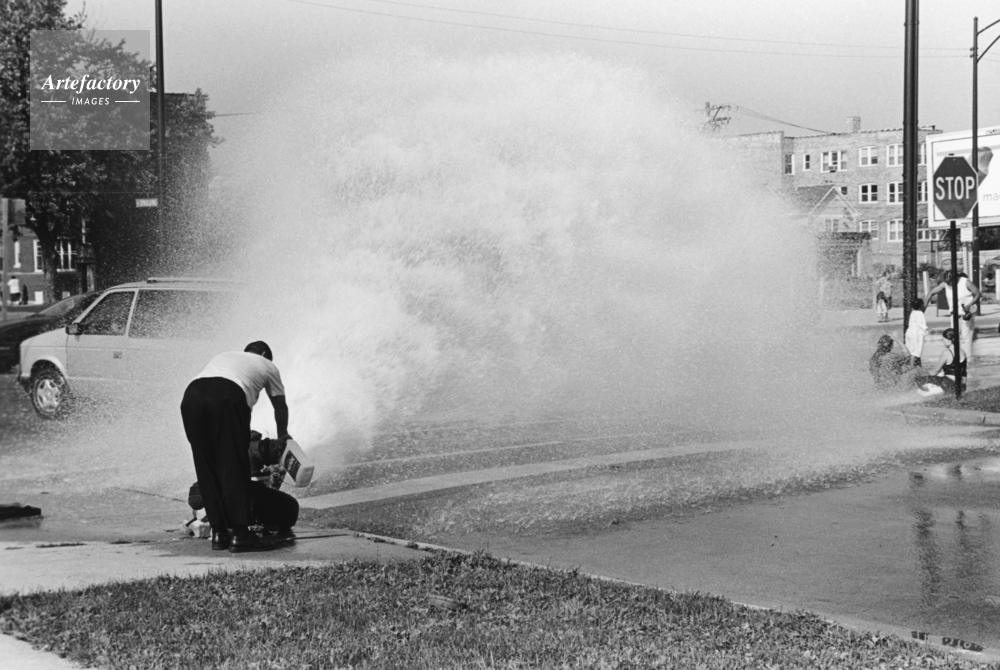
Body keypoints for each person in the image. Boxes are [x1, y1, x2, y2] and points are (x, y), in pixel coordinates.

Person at [181, 341, 291, 553]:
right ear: (265, 354)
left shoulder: (225, 356)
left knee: (206, 466)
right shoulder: (268, 365)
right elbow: (280, 406)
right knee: (233, 465)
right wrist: (283, 435)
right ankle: (241, 535)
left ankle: (219, 533)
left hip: (191, 397)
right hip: (227, 396)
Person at [188, 431, 299, 538]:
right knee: (292, 507)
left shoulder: (217, 440)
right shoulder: (254, 446)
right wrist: (283, 439)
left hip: (202, 494)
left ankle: (213, 521)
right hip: (237, 498)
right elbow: (277, 453)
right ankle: (237, 529)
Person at [925, 270, 981, 355]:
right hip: (954, 314)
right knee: (952, 337)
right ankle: (954, 357)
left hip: (966, 314)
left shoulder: (966, 282)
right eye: (947, 282)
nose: (948, 284)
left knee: (965, 339)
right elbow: (932, 292)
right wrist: (923, 307)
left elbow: (978, 294)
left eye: (950, 282)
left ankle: (966, 360)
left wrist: (969, 304)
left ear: (955, 278)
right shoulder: (945, 284)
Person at [915, 328, 967, 396]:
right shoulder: (963, 352)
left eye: (944, 339)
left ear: (949, 340)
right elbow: (963, 373)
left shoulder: (947, 353)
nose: (943, 341)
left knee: (918, 382)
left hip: (949, 383)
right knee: (940, 376)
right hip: (961, 385)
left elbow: (935, 371)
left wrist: (923, 374)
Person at [905, 298, 929, 367]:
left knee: (910, 350)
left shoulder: (912, 312)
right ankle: (912, 367)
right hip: (916, 334)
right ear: (921, 306)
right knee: (916, 351)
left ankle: (916, 365)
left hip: (909, 333)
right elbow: (921, 323)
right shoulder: (920, 313)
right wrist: (927, 328)